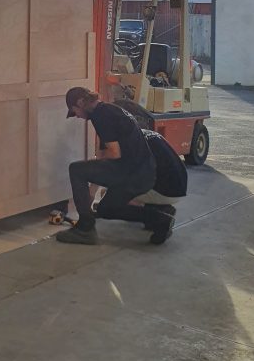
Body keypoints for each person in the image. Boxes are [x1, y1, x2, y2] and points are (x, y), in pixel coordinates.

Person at [56, 87, 174, 246]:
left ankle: (85, 229)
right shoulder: (110, 110)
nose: (77, 116)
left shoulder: (101, 116)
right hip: (143, 172)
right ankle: (161, 219)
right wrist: (92, 189)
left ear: (80, 103)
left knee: (76, 170)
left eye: (75, 111)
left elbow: (114, 154)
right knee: (107, 209)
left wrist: (93, 179)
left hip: (132, 173)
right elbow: (110, 157)